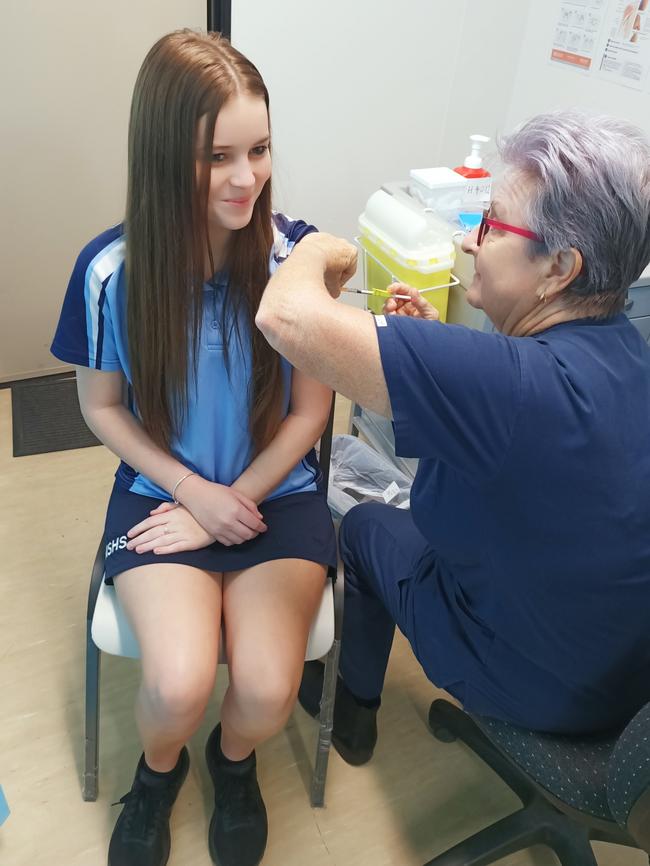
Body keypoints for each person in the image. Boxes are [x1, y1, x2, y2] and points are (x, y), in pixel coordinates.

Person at [255, 110, 650, 766]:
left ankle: (354, 712)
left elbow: (284, 315)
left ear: (559, 267)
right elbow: (521, 428)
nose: (471, 241)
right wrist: (442, 360)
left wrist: (317, 247)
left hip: (546, 690)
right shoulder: (624, 350)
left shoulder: (508, 386)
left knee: (363, 529)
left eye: (492, 223)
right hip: (625, 676)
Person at [51, 30, 335, 866]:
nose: (248, 178)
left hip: (273, 495)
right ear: (165, 154)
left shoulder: (293, 260)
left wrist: (224, 507)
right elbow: (102, 408)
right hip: (158, 497)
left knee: (263, 690)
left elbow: (309, 415)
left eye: (260, 149)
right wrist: (190, 493)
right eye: (219, 156)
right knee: (175, 686)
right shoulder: (109, 271)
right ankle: (158, 773)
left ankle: (233, 761)